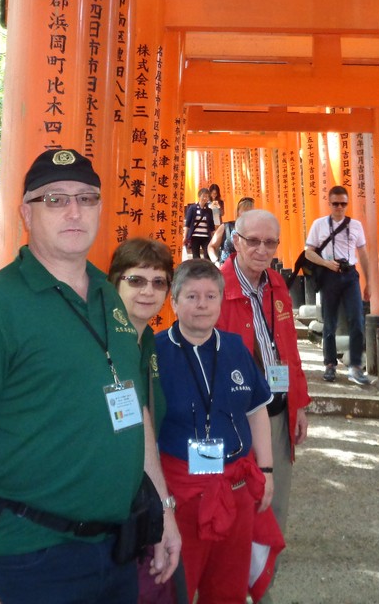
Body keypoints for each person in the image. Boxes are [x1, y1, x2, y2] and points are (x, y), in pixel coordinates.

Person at [0, 148, 179, 604]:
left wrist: (161, 511)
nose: (74, 210)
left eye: (86, 197)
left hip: (118, 547)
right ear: (26, 212)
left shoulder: (110, 295)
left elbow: (134, 410)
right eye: (55, 199)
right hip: (31, 556)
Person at [155, 259, 279, 604]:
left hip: (235, 486)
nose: (202, 305)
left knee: (227, 588)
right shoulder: (154, 352)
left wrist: (266, 470)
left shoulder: (236, 347)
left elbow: (256, 410)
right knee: (175, 583)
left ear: (221, 301)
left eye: (211, 296)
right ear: (174, 302)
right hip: (180, 492)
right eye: (191, 296)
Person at [215, 209, 310, 601]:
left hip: (277, 415)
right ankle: (231, 588)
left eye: (270, 243)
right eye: (253, 241)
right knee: (232, 508)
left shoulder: (275, 284)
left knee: (274, 509)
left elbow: (288, 349)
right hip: (234, 423)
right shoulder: (215, 287)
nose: (261, 249)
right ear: (235, 241)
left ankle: (262, 588)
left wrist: (299, 404)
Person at [107, 238, 187, 604]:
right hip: (106, 508)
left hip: (140, 500)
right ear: (114, 283)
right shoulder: (103, 344)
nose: (147, 291)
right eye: (135, 280)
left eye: (158, 282)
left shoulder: (148, 341)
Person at [305, 185, 374, 385]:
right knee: (330, 323)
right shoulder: (319, 225)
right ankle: (330, 364)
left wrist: (369, 283)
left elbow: (363, 255)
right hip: (329, 275)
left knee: (357, 321)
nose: (339, 208)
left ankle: (355, 366)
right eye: (335, 204)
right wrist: (326, 263)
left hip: (350, 275)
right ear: (329, 204)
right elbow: (308, 251)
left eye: (343, 204)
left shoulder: (356, 226)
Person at [206, 196, 254, 264]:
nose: (247, 214)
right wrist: (216, 262)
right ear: (237, 212)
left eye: (250, 211)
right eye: (245, 210)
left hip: (247, 271)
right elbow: (211, 246)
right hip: (226, 269)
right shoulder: (226, 227)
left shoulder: (256, 231)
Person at [183, 188, 216, 259]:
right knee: (196, 256)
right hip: (195, 236)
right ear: (199, 196)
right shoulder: (192, 208)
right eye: (203, 196)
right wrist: (185, 237)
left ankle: (207, 270)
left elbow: (211, 226)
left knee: (207, 255)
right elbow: (187, 224)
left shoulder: (209, 211)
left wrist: (214, 238)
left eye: (207, 196)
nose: (205, 198)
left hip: (206, 237)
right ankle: (197, 270)